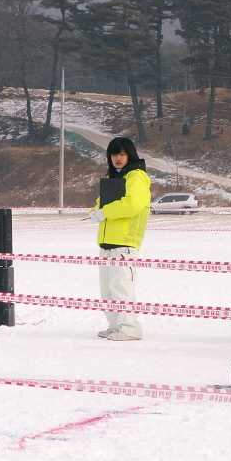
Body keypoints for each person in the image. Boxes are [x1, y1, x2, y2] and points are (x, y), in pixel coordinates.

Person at [89, 137, 151, 341]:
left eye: (122, 154)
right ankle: (116, 325)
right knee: (107, 289)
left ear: (130, 154)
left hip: (124, 242)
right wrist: (95, 212)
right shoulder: (114, 177)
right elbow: (101, 203)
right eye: (114, 154)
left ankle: (130, 328)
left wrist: (105, 212)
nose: (117, 158)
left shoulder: (136, 177)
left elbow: (133, 204)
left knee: (122, 287)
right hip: (107, 242)